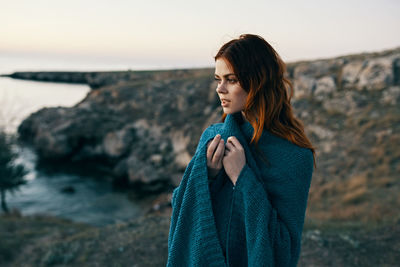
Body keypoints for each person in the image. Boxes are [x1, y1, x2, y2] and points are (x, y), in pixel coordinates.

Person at [167, 34, 317, 267]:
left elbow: (284, 247)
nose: (220, 89)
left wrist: (242, 178)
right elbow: (181, 207)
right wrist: (208, 176)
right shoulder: (213, 137)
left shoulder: (296, 156)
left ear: (258, 81)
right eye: (218, 79)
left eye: (232, 79)